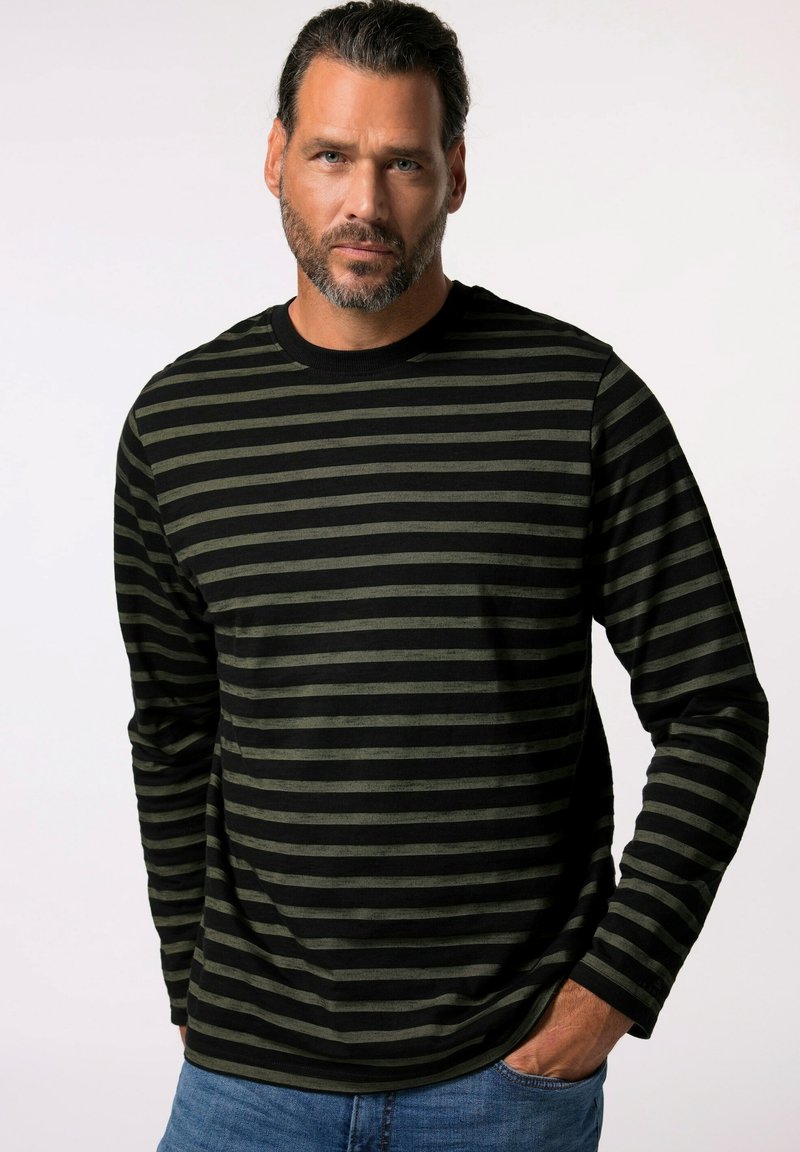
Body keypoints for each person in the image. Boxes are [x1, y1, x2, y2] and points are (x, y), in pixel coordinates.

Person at [114, 2, 768, 1149]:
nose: (363, 203)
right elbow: (173, 730)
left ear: (454, 174)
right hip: (246, 1078)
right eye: (330, 155)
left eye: (401, 163)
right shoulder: (179, 426)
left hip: (499, 1081)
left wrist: (608, 993)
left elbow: (712, 707)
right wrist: (190, 984)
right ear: (274, 158)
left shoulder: (577, 402)